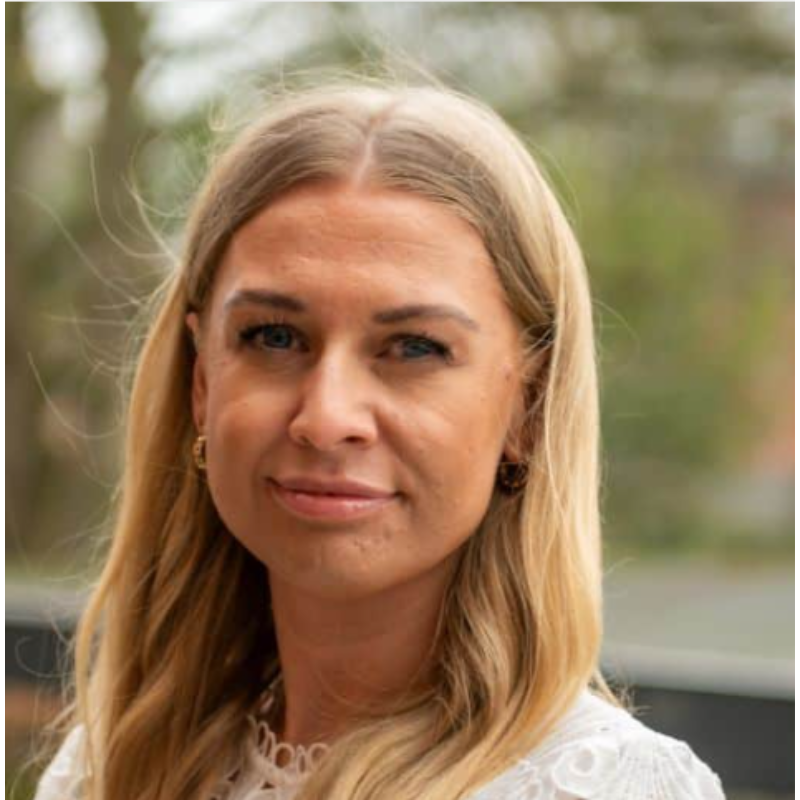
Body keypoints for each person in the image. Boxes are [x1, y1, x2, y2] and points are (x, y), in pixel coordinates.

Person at [33, 77, 726, 800]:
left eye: (415, 347)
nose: (327, 417)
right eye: (274, 337)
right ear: (202, 380)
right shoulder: (109, 766)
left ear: (529, 407)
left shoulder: (608, 788)